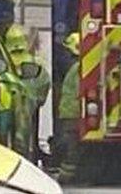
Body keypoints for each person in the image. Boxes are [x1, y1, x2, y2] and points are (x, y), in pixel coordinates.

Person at [53, 32, 81, 182]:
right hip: (72, 112)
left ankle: (67, 176)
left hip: (72, 113)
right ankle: (69, 174)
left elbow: (78, 90)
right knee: (70, 144)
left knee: (71, 146)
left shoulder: (75, 68)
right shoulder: (76, 67)